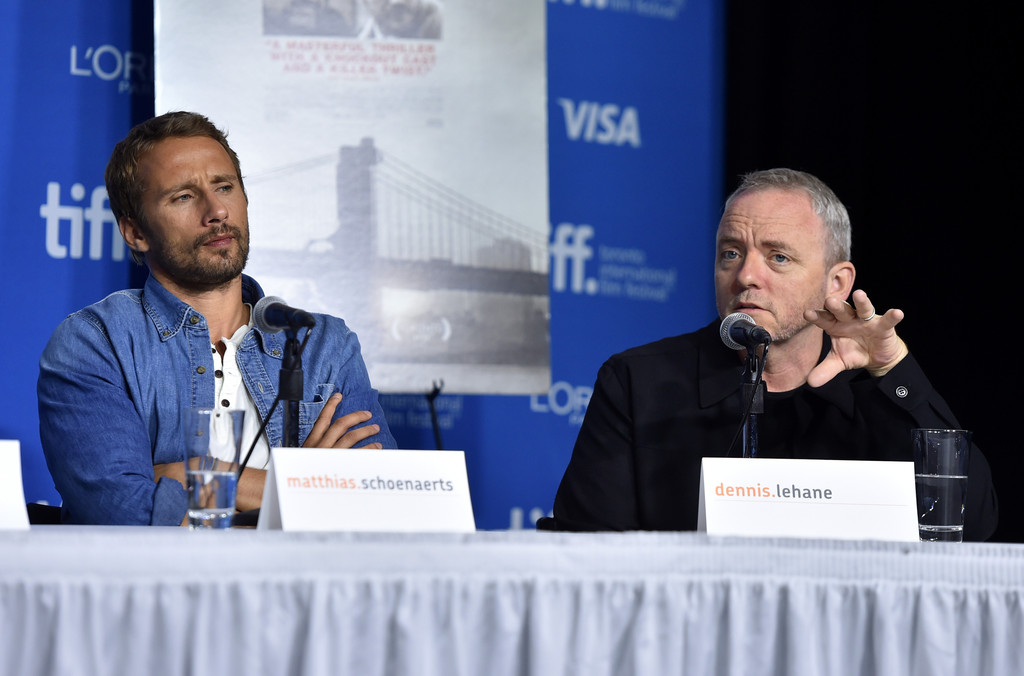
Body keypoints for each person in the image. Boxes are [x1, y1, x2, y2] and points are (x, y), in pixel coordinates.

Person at [543, 168, 998, 541]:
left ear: (836, 283)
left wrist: (894, 371)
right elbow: (586, 548)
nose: (745, 276)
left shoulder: (875, 391)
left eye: (778, 257)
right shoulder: (638, 382)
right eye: (730, 253)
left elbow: (971, 525)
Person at [38, 111, 396, 526]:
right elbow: (122, 513)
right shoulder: (96, 343)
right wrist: (302, 485)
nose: (216, 212)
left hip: (300, 587)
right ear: (135, 232)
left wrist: (186, 476)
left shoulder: (323, 343)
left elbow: (378, 501)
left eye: (224, 187)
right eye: (183, 197)